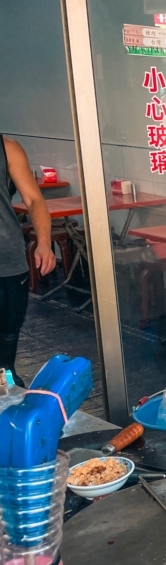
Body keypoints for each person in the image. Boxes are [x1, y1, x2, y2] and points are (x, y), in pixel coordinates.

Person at [1, 136, 56, 387]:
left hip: (7, 263)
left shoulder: (7, 148)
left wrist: (43, 242)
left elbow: (33, 200)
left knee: (5, 357)